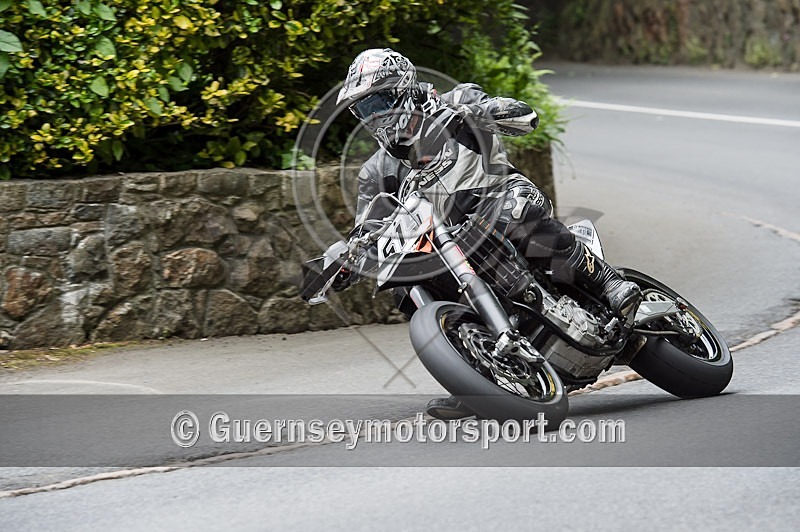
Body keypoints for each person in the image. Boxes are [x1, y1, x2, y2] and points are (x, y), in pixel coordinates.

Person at [335, 48, 641, 418]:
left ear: (403, 88)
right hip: (445, 242)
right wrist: (343, 260)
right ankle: (475, 372)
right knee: (403, 280)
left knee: (511, 214)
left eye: (379, 101)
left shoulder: (455, 102)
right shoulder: (376, 171)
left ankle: (607, 283)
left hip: (499, 201)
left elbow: (526, 118)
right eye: (365, 109)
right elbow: (367, 227)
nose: (375, 116)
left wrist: (482, 112)